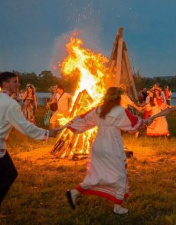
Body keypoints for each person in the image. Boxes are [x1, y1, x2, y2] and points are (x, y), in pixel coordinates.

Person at [64, 87, 145, 215]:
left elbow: (84, 119)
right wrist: (144, 122)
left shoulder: (99, 109)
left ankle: (74, 192)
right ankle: (117, 208)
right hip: (112, 146)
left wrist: (68, 125)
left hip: (99, 146)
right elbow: (133, 124)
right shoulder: (120, 111)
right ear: (118, 98)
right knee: (120, 175)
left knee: (96, 175)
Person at [0, 72, 59, 214]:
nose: (18, 84)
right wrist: (47, 133)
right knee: (10, 174)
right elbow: (25, 127)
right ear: (5, 83)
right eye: (15, 81)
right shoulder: (11, 104)